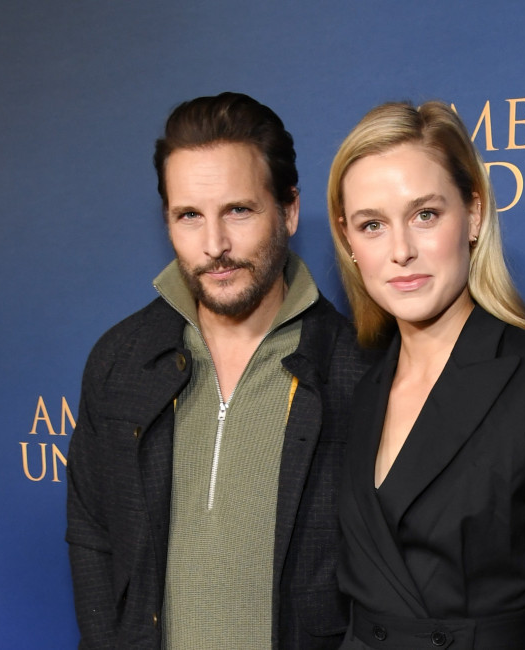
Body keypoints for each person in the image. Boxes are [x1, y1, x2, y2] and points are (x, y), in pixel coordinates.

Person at [66, 92, 369, 649]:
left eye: (239, 210)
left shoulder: (358, 370)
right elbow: (92, 536)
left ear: (290, 209)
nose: (215, 246)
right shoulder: (120, 360)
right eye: (189, 216)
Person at [326, 101, 525, 649]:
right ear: (350, 243)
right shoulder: (364, 389)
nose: (401, 251)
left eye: (425, 215)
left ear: (474, 215)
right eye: (372, 225)